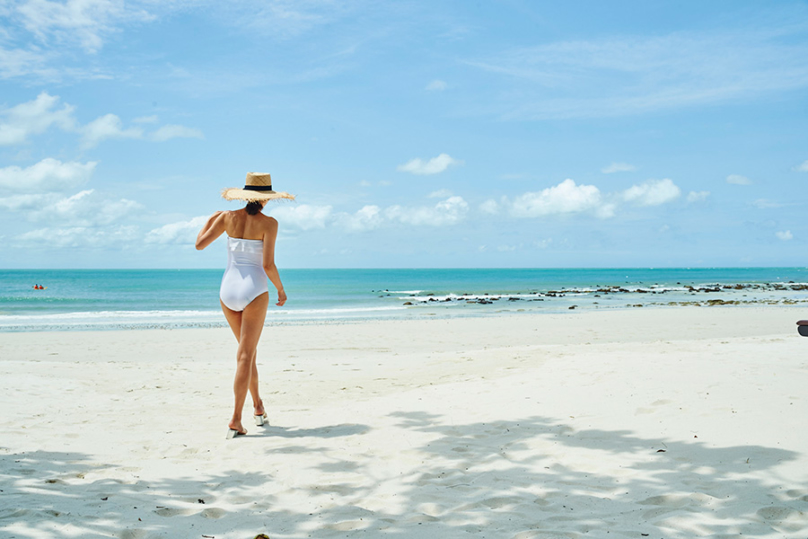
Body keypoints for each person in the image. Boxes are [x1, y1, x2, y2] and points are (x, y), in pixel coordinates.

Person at [195, 172, 295, 438]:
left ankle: (259, 407)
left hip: (227, 290)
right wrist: (281, 289)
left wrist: (210, 219)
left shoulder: (227, 218)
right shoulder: (270, 223)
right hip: (254, 290)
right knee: (245, 355)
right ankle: (235, 420)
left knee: (245, 355)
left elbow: (199, 245)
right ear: (266, 199)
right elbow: (267, 265)